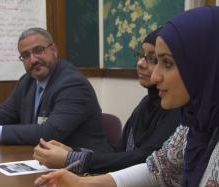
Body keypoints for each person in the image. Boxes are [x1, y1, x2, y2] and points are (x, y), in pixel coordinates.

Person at [34, 6, 219, 187]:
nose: (154, 77)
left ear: (207, 66)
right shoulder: (199, 118)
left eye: (167, 63)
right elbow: (157, 170)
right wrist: (83, 184)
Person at [32, 28, 181, 174]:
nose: (140, 63)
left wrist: (72, 159)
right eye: (141, 55)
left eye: (152, 59)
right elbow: (119, 154)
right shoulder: (146, 103)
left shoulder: (177, 109)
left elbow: (145, 161)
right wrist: (72, 151)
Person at [0, 27, 109, 150]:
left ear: (54, 50)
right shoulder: (27, 81)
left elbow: (50, 132)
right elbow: (5, 113)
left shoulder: (73, 84)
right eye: (25, 55)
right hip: (41, 159)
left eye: (38, 50)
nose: (33, 60)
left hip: (86, 165)